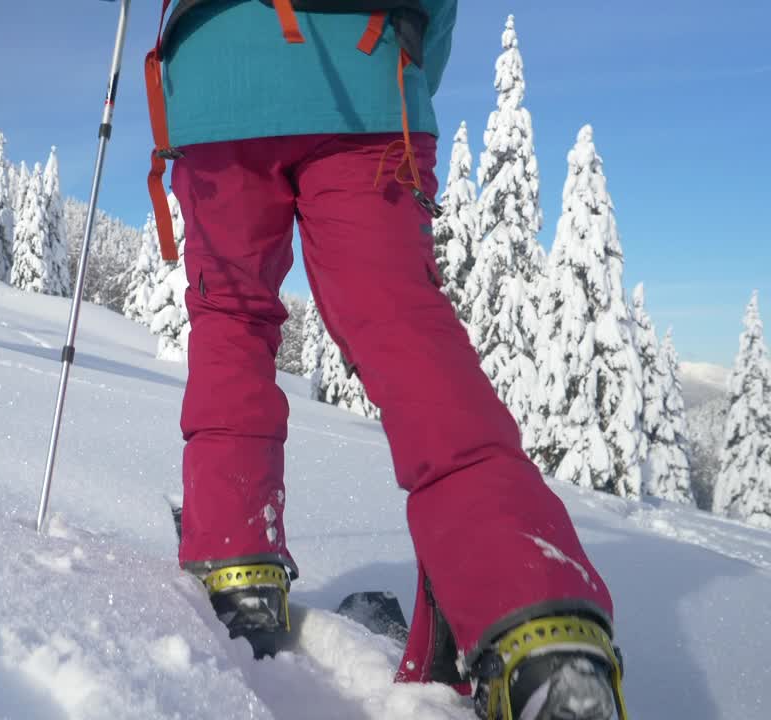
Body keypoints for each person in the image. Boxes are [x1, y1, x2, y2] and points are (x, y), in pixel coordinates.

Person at [143, 2, 628, 718]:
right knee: (403, 326)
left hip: (217, 81)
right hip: (365, 68)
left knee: (233, 319)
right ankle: (532, 614)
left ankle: (236, 560)